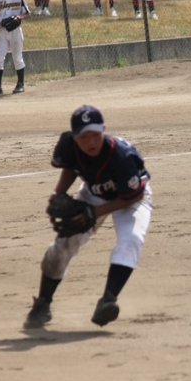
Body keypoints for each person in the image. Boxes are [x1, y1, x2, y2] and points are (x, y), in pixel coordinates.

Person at [24, 104, 153, 329]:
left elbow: (133, 196)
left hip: (131, 198)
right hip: (94, 192)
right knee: (64, 244)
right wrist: (58, 193)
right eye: (84, 137)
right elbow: (71, 166)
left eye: (95, 135)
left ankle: (108, 300)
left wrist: (93, 213)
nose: (91, 142)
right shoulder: (68, 146)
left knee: (131, 239)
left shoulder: (122, 156)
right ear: (74, 137)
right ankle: (43, 304)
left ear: (104, 130)